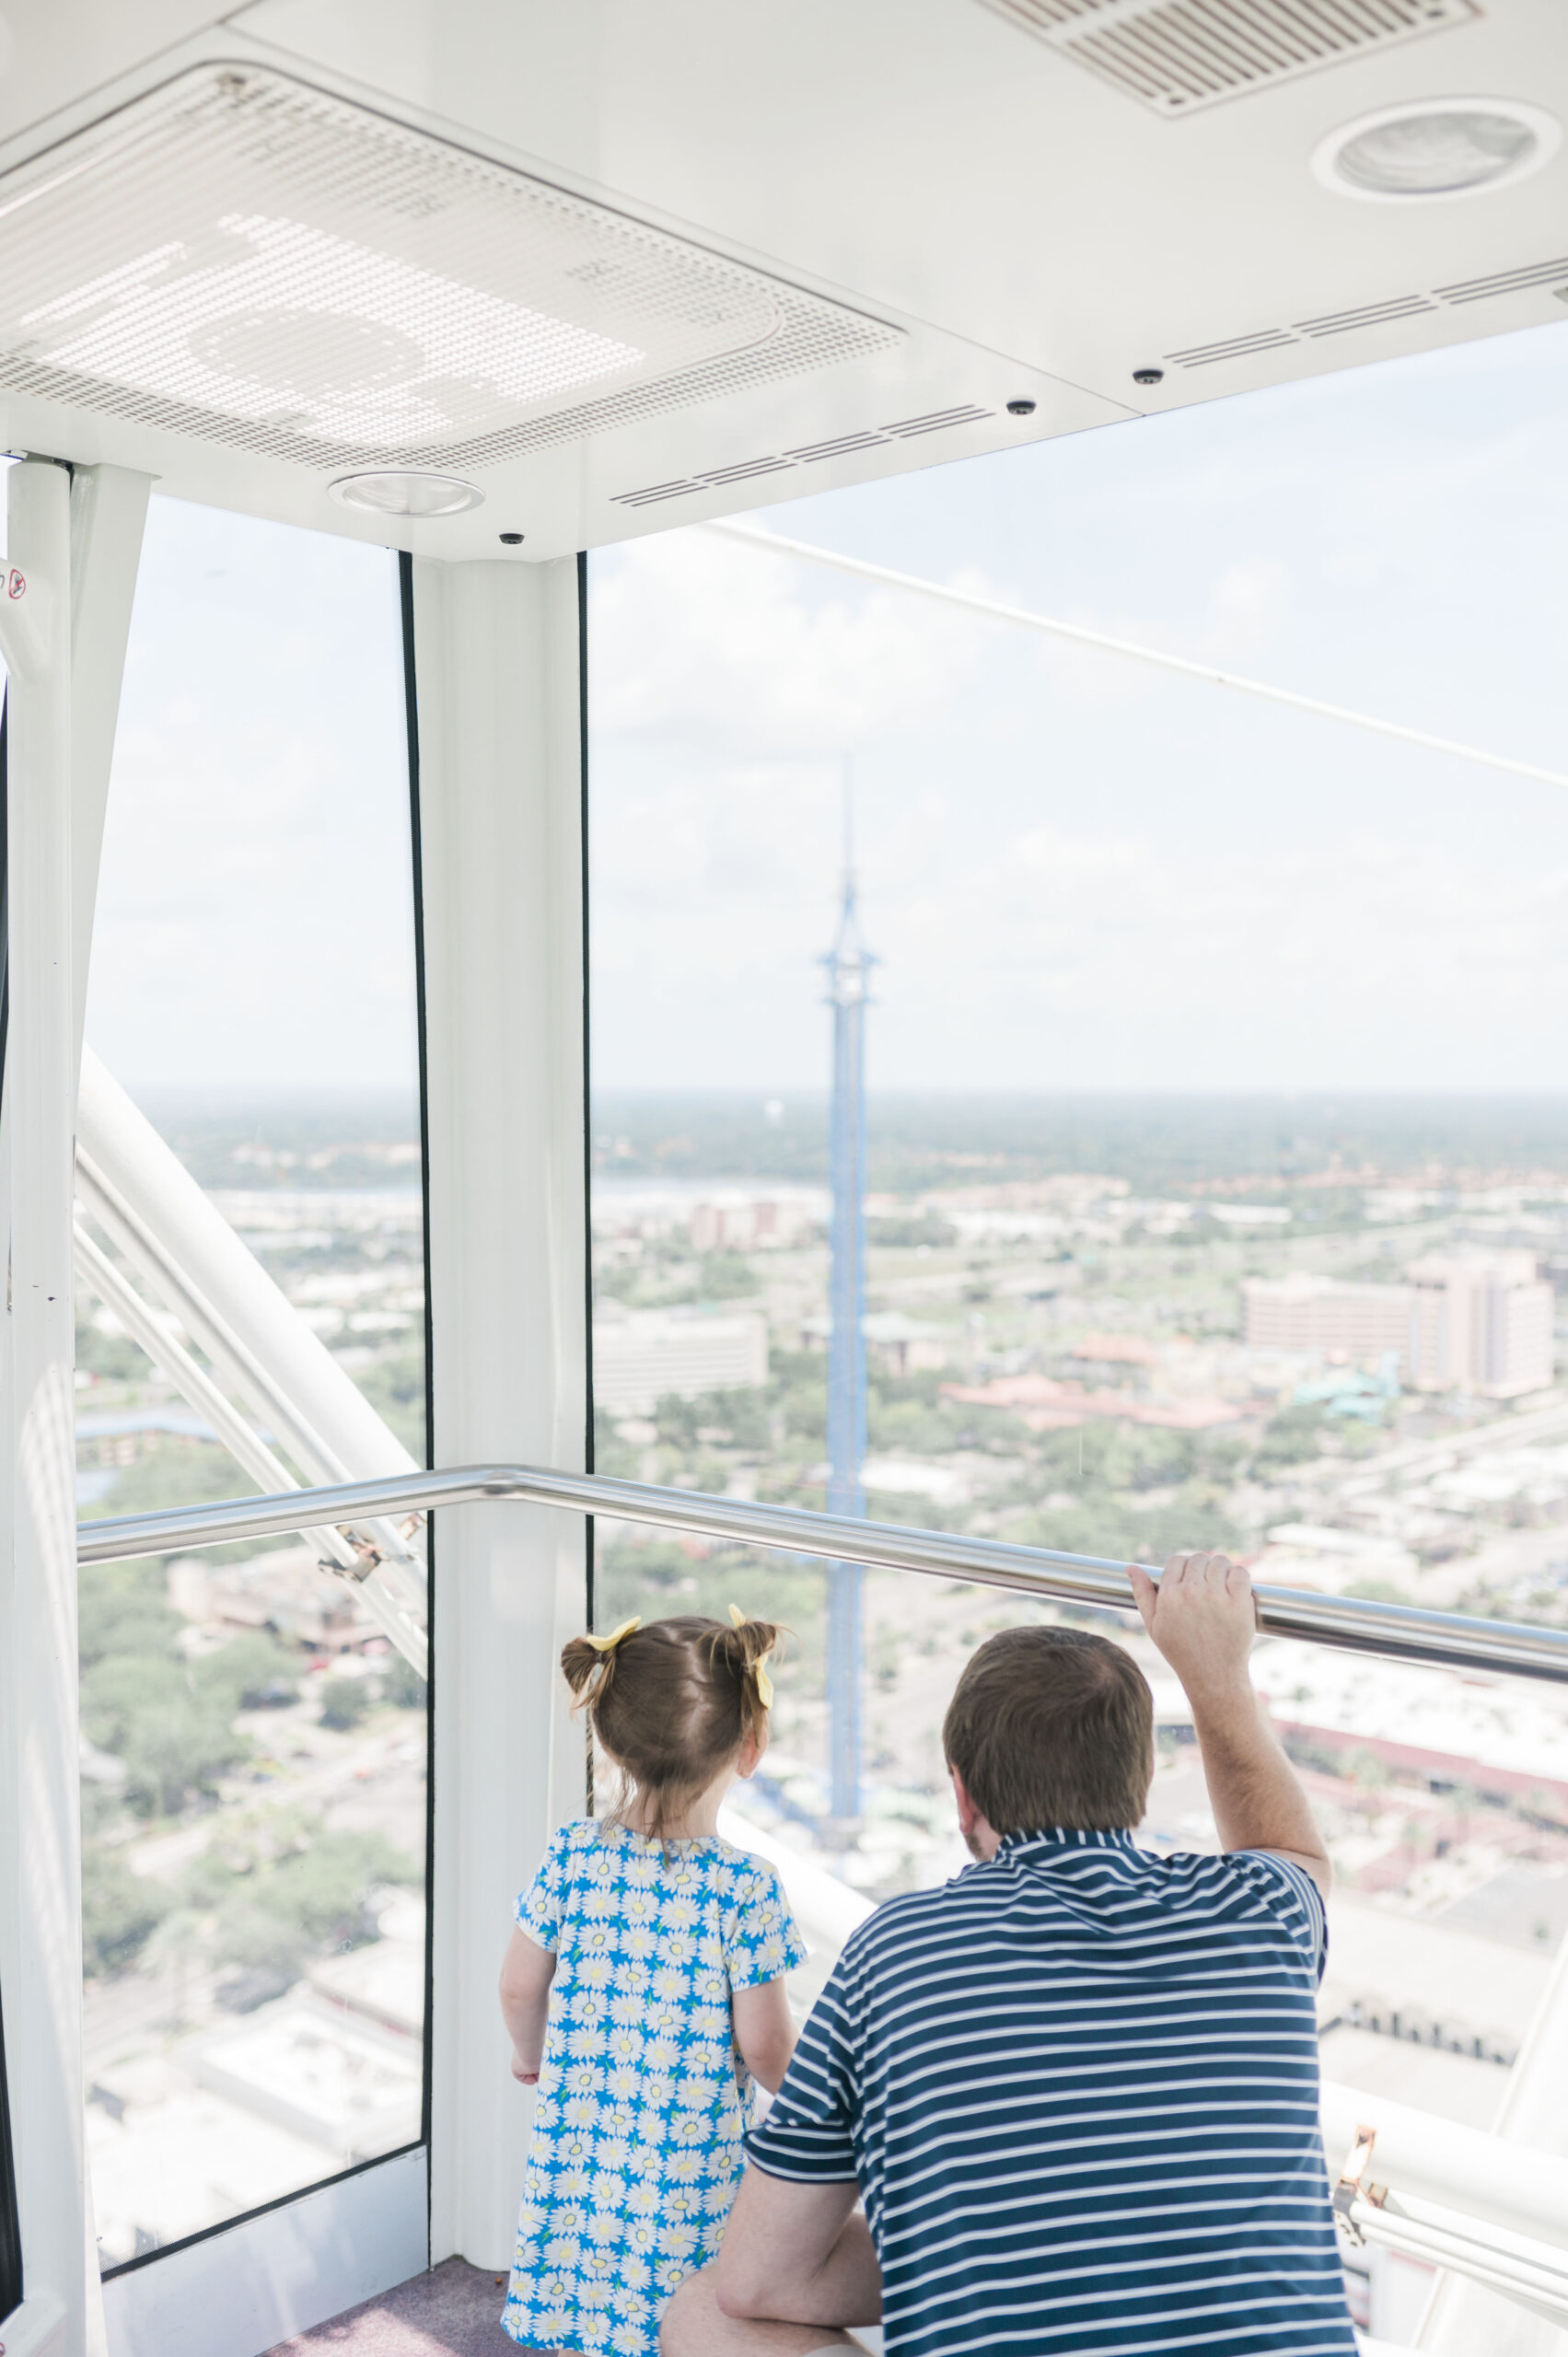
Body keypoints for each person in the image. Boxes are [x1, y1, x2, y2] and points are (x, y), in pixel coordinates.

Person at [663, 1550, 1358, 2357]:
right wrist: (1216, 1677)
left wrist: (979, 2254)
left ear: (962, 1794)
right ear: (1140, 1782)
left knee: (705, 2313)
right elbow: (1287, 1848)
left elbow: (757, 2283)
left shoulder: (893, 1956)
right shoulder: (1262, 1912)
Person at [499, 1608, 807, 2357]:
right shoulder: (744, 1887)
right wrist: (813, 2112)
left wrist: (528, 2056)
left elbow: (516, 1986)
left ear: (606, 1736)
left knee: (583, 2268)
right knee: (682, 2306)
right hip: (689, 2160)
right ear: (750, 1747)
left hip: (581, 2139)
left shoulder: (572, 1853)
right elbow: (766, 2045)